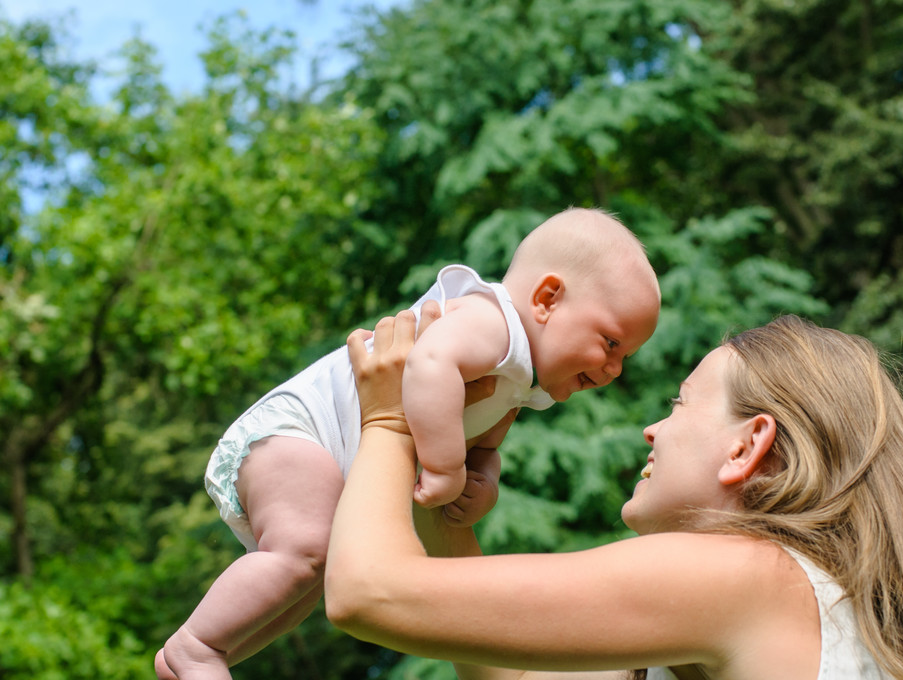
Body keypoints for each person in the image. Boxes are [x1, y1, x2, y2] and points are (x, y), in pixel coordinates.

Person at [326, 309, 903, 680]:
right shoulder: (798, 599)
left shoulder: (746, 577)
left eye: (680, 403)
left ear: (747, 445)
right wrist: (451, 518)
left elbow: (368, 593)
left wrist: (387, 415)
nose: (651, 428)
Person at [154, 208, 662, 679]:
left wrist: (481, 479)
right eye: (611, 343)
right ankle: (198, 646)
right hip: (298, 431)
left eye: (626, 358)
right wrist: (444, 468)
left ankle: (209, 654)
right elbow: (429, 364)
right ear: (547, 299)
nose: (613, 369)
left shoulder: (524, 382)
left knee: (307, 579)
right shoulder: (496, 324)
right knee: (305, 550)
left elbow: (482, 447)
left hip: (324, 455)